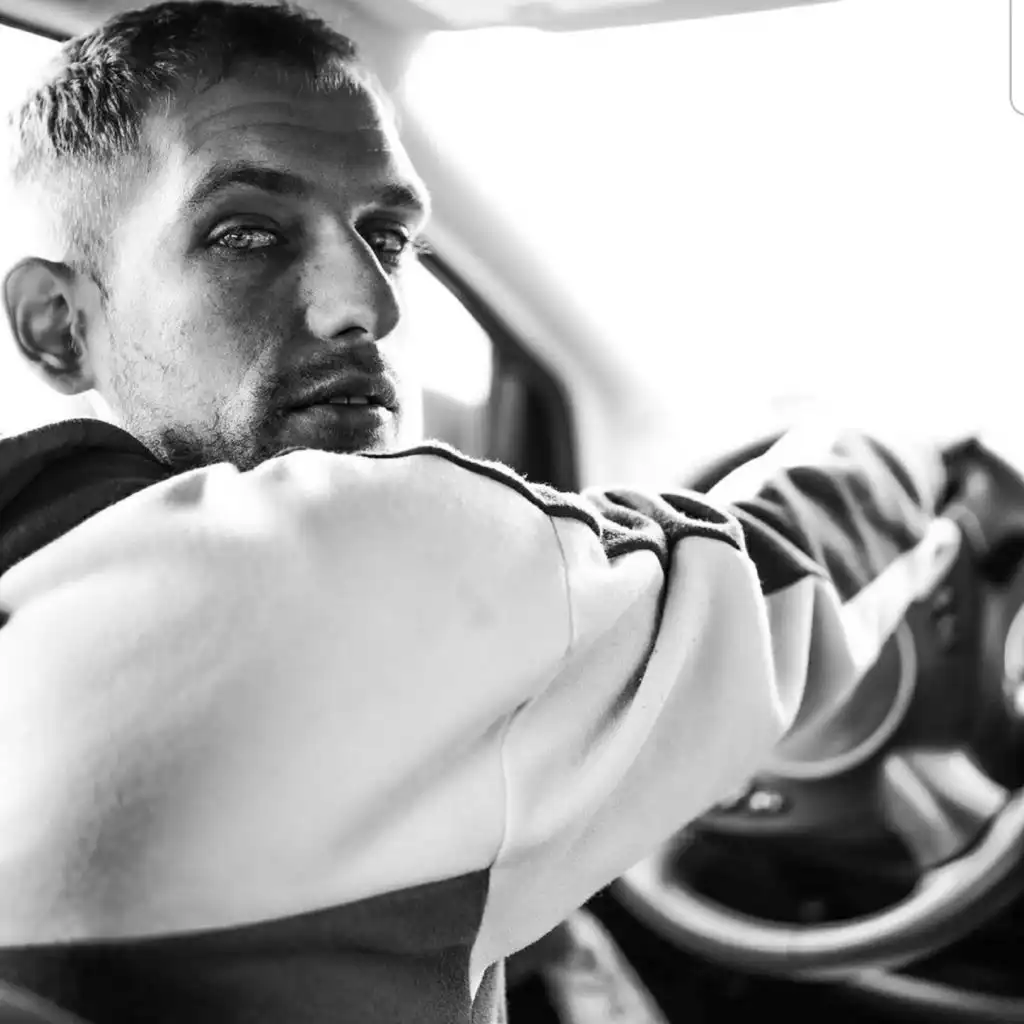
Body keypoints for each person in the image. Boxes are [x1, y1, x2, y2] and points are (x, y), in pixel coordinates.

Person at [0, 2, 977, 1022]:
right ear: (59, 325)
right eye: (247, 233)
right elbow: (782, 574)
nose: (369, 304)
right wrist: (921, 459)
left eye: (388, 237)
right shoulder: (340, 562)